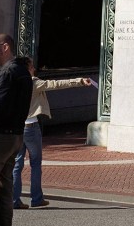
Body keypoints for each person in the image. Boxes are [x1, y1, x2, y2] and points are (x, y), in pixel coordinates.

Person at [12, 59, 91, 209]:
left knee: (17, 164)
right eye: (32, 67)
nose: (34, 69)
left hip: (17, 128)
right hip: (30, 126)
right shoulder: (33, 83)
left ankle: (14, 200)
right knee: (35, 164)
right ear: (27, 69)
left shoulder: (13, 82)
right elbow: (55, 84)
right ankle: (36, 198)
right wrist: (79, 81)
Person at [0, 34, 33, 226]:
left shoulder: (8, 72)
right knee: (5, 191)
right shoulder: (22, 72)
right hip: (15, 137)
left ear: (5, 47)